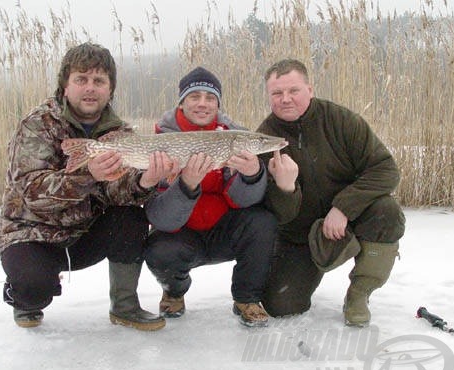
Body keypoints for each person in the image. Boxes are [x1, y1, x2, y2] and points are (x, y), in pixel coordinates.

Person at [0, 42, 173, 330]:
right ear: (65, 86)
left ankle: (125, 306)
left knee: (132, 216)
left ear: (110, 89)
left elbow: (117, 192)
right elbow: (31, 193)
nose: (90, 88)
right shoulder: (37, 125)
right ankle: (21, 295)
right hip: (31, 234)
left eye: (99, 81)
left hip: (82, 235)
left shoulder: (121, 134)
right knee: (34, 288)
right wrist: (87, 175)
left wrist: (145, 180)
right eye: (81, 79)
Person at [258, 59, 406, 327]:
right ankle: (308, 270)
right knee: (281, 306)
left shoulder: (342, 120)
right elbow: (278, 216)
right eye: (277, 93)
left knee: (387, 212)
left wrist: (343, 208)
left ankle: (360, 293)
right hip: (299, 235)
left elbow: (386, 170)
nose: (285, 99)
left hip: (350, 219)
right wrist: (285, 187)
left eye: (294, 91)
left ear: (310, 89)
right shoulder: (264, 139)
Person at [144, 67, 277, 327]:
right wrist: (187, 185)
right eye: (195, 96)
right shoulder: (162, 140)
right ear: (182, 102)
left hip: (223, 231)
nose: (203, 103)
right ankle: (174, 292)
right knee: (160, 250)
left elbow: (245, 202)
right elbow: (162, 219)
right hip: (181, 233)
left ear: (218, 103)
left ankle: (247, 298)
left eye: (210, 97)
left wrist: (252, 174)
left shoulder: (233, 135)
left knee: (263, 222)